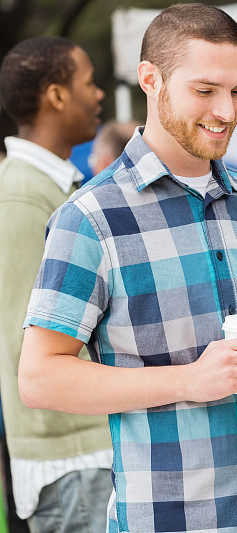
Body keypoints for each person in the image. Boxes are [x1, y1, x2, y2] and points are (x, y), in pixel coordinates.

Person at [17, 4, 237, 532]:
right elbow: (40, 377)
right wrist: (192, 379)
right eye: (205, 90)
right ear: (151, 80)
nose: (228, 110)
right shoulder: (90, 218)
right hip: (170, 519)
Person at [0, 36, 112, 531]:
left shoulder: (49, 187)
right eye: (88, 82)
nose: (100, 94)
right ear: (56, 95)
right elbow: (23, 344)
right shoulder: (23, 196)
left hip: (85, 456)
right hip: (73, 461)